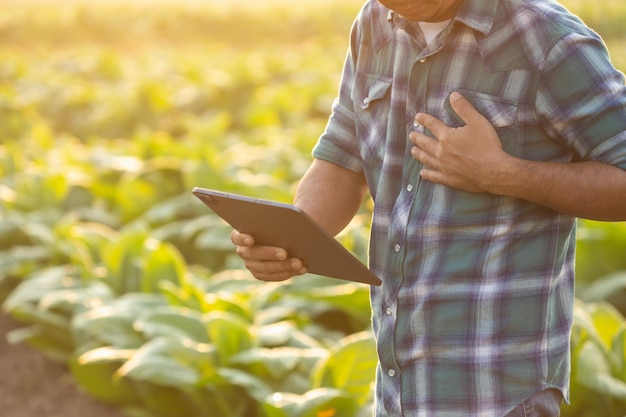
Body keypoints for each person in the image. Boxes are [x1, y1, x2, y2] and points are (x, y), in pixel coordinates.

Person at [231, 0, 626, 415]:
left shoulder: (547, 39)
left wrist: (500, 173)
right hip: (398, 392)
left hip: (496, 394)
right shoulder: (373, 24)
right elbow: (342, 159)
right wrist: (293, 235)